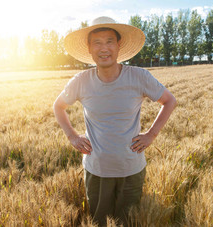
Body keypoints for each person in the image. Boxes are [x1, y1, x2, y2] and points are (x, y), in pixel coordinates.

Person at [53, 16, 177, 226]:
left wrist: (151, 135)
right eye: (97, 43)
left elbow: (169, 101)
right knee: (100, 221)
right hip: (97, 170)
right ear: (90, 49)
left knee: (128, 221)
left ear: (119, 46)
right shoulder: (81, 81)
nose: (104, 48)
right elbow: (58, 106)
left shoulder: (139, 77)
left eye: (109, 41)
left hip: (132, 168)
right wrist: (72, 136)